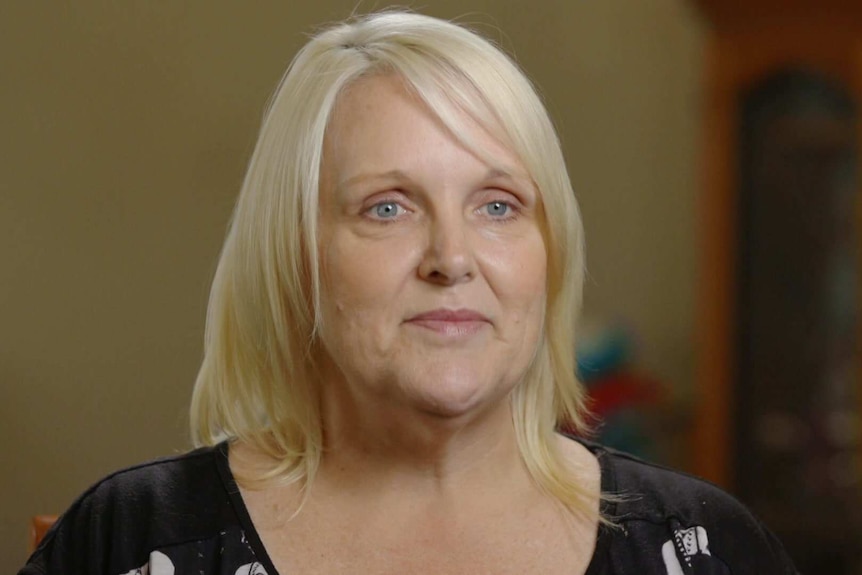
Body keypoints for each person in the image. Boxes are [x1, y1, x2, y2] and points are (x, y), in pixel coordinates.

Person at [20, 10, 798, 575]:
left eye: (498, 205)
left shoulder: (705, 547)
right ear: (296, 254)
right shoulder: (129, 542)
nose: (451, 257)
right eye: (386, 206)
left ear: (550, 255)